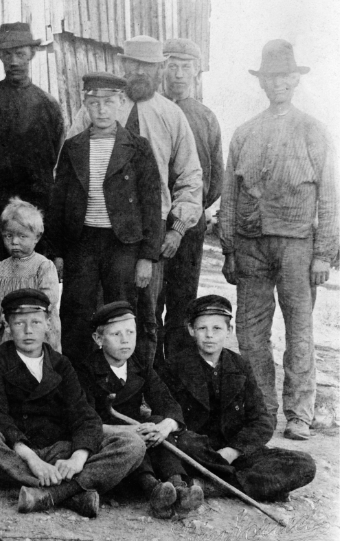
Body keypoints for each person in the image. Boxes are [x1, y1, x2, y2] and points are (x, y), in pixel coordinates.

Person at [220, 40, 338, 441]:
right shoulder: (245, 133)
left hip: (297, 246)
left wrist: (323, 253)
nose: (278, 84)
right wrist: (230, 249)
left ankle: (300, 412)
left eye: (285, 77)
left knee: (299, 329)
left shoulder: (312, 130)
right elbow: (230, 196)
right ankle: (262, 409)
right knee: (250, 333)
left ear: (295, 79)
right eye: (271, 78)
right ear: (263, 82)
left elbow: (330, 196)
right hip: (251, 245)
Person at [68, 35, 203, 368]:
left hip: (148, 229)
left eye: (149, 66)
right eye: (135, 64)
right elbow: (67, 166)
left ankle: (140, 390)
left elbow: (191, 178)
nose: (141, 72)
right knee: (94, 310)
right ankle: (93, 389)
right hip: (96, 227)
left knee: (144, 312)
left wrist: (178, 228)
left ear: (159, 70)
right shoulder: (98, 109)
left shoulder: (170, 116)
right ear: (123, 64)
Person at [0, 289, 146, 518]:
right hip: (17, 452)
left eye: (36, 322)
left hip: (59, 451)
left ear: (48, 324)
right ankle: (71, 492)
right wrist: (32, 459)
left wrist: (78, 458)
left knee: (133, 444)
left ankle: (50, 493)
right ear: (8, 325)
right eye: (19, 323)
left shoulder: (61, 364)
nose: (29, 331)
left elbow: (84, 415)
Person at [46, 73, 163, 364]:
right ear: (84, 104)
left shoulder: (138, 148)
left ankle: (127, 390)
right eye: (94, 102)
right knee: (76, 311)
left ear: (120, 103)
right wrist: (57, 252)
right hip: (82, 242)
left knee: (122, 312)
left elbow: (151, 205)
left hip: (123, 244)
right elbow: (58, 202)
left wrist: (147, 256)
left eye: (108, 102)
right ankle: (78, 386)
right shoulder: (73, 147)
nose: (101, 109)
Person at [159, 296, 316, 501]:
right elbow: (169, 414)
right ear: (191, 330)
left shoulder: (240, 365)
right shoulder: (175, 366)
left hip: (233, 453)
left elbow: (262, 419)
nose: (209, 336)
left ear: (229, 331)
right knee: (184, 443)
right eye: (202, 329)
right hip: (198, 452)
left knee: (304, 464)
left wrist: (234, 450)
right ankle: (257, 486)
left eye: (217, 329)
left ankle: (210, 486)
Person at [76, 301, 202, 519]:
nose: (125, 340)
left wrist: (165, 425)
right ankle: (152, 489)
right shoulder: (85, 370)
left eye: (130, 333)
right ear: (98, 339)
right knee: (135, 440)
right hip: (106, 441)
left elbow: (166, 400)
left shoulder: (140, 365)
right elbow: (84, 422)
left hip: (139, 432)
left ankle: (178, 486)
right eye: (116, 334)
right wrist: (127, 432)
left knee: (156, 420)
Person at [158, 38, 224, 360]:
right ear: (163, 68)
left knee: (183, 305)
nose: (179, 74)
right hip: (153, 224)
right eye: (173, 66)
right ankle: (150, 376)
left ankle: (178, 377)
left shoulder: (206, 118)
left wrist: (190, 213)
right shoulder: (152, 111)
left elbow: (215, 179)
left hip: (191, 227)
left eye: (186, 67)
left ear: (197, 72)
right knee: (149, 303)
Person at [0, 23, 65, 212]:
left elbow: (56, 156)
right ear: (0, 56)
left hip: (38, 205)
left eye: (20, 54)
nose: (14, 61)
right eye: (7, 54)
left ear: (32, 53)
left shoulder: (48, 105)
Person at [0, 198, 60, 356]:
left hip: (35, 332)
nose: (14, 242)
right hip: (5, 333)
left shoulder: (43, 266)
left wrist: (18, 315)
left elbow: (48, 300)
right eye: (8, 236)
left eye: (22, 236)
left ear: (36, 237)